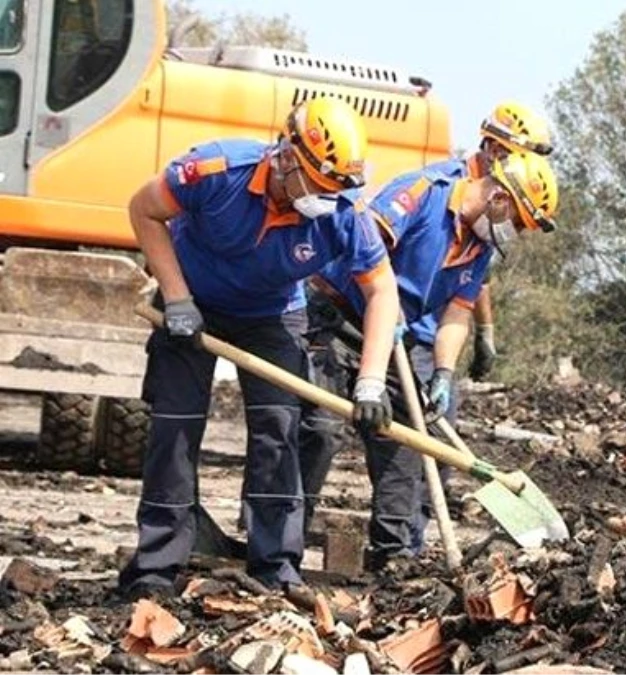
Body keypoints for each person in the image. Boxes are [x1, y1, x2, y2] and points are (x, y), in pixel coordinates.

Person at [118, 97, 400, 598]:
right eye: (319, 185)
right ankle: (156, 570)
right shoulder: (215, 170)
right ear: (287, 156)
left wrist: (372, 379)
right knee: (175, 430)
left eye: (335, 190)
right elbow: (143, 210)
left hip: (272, 315)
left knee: (279, 431)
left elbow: (381, 289)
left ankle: (275, 568)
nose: (325, 199)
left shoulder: (342, 214)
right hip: (192, 301)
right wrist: (178, 298)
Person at [299, 151, 560, 571]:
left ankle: (394, 556)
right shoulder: (422, 192)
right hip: (336, 316)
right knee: (318, 429)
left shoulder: (479, 246)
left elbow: (458, 310)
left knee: (407, 436)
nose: (514, 234)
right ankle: (280, 549)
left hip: (390, 337)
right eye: (517, 223)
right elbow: (367, 244)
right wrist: (383, 301)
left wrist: (442, 372)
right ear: (498, 198)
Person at [424, 100, 555, 381]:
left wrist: (485, 332)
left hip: (436, 335)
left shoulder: (498, 212)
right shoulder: (444, 185)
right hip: (404, 325)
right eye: (523, 158)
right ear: (496, 150)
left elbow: (477, 275)